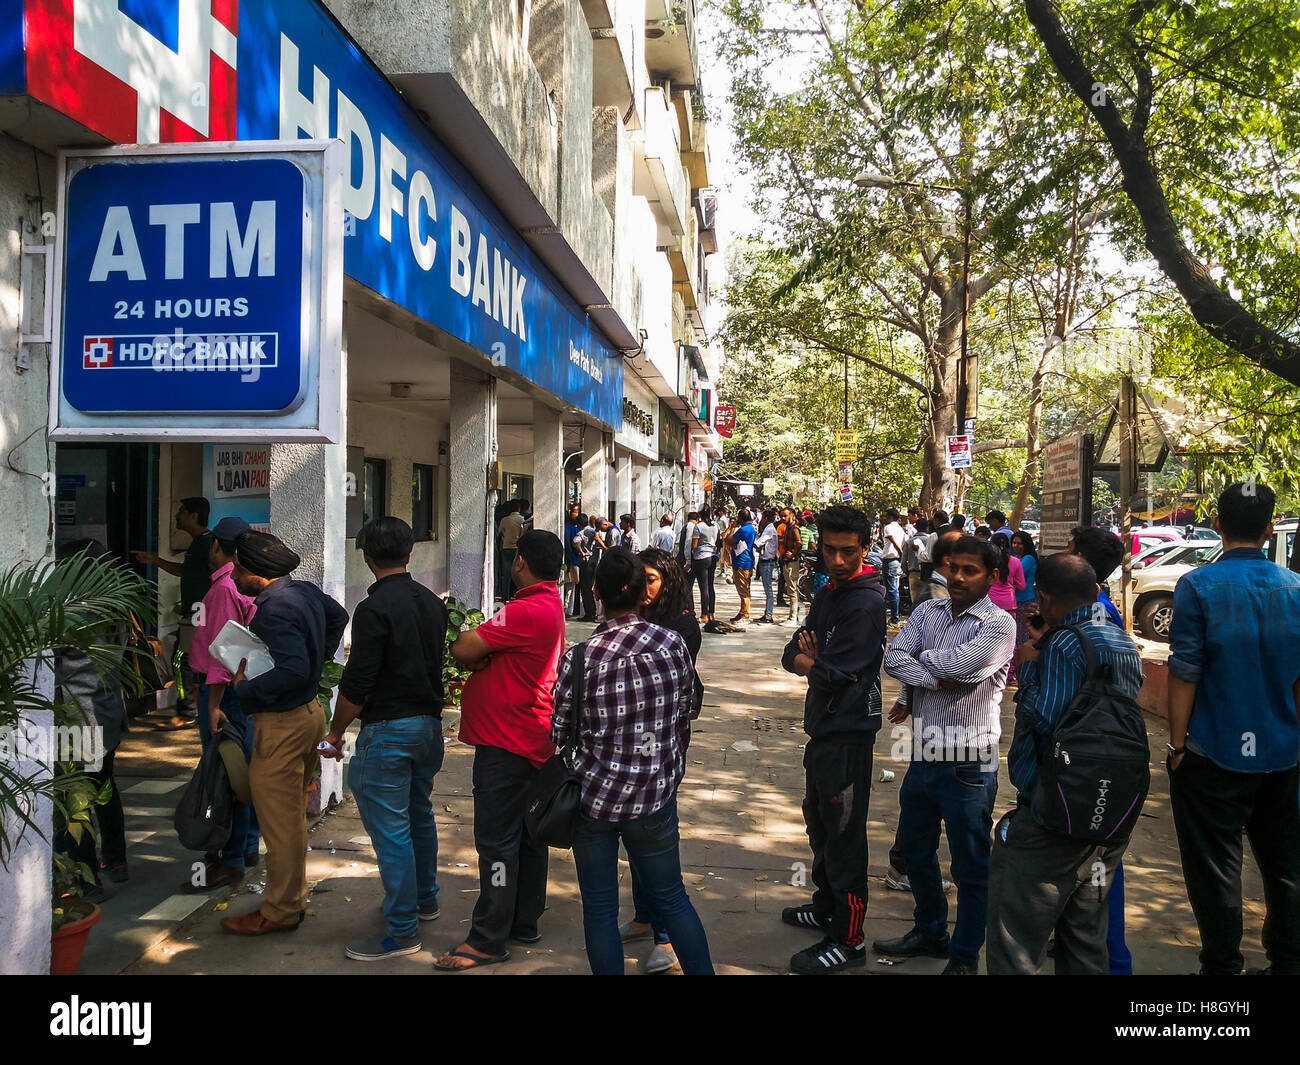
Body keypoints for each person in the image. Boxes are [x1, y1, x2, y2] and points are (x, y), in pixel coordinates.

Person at [553, 549, 713, 975]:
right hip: (655, 794)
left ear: (596, 592)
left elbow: (559, 731)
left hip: (595, 801)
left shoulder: (581, 658)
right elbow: (683, 711)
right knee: (673, 897)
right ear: (643, 592)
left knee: (600, 909)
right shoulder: (673, 644)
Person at [986, 553, 1144, 974]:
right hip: (1109, 813)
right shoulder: (1122, 641)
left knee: (1016, 939)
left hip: (1052, 811)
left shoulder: (1062, 644)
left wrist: (1031, 665)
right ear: (1095, 592)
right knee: (1085, 938)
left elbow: (1046, 720)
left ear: (1045, 598)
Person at [1167, 480, 1300, 975]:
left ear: (1217, 524)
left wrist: (1177, 746)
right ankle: (1288, 961)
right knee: (1286, 865)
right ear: (1269, 530)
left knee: (1215, 868)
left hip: (1212, 751)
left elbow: (1186, 671)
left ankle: (1222, 967)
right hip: (1284, 753)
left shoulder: (1198, 585)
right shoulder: (1296, 589)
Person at [876, 536, 1016, 974]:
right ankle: (931, 930)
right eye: (953, 567)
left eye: (969, 570)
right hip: (924, 756)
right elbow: (893, 657)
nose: (957, 577)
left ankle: (964, 955)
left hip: (970, 763)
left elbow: (963, 667)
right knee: (915, 852)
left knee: (970, 866)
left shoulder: (999, 625)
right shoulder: (927, 611)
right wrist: (934, 677)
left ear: (992, 578)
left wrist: (924, 662)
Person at [436, 530, 567, 970]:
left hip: (508, 741)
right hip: (528, 736)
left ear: (521, 563)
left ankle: (489, 938)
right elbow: (478, 653)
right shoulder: (547, 603)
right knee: (527, 837)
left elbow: (463, 647)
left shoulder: (526, 609)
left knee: (497, 843)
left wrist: (478, 655)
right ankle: (523, 920)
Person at [322, 517, 449, 961]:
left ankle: (402, 930)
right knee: (419, 817)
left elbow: (358, 683)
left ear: (367, 557)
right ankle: (424, 900)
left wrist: (336, 732)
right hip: (428, 729)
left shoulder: (373, 609)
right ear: (410, 554)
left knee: (393, 833)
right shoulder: (433, 604)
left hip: (389, 731)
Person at [222, 531, 348, 936]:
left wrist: (245, 690)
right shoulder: (304, 591)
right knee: (290, 819)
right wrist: (318, 659)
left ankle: (278, 912)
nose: (234, 576)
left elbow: (291, 670)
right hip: (309, 713)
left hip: (282, 723)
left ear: (257, 574)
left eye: (239, 569)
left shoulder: (273, 610)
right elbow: (339, 616)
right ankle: (290, 901)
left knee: (278, 826)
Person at [779, 506, 886, 973]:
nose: (838, 560)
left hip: (849, 734)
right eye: (829, 550)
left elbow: (839, 674)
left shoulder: (866, 603)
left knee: (844, 836)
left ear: (865, 548)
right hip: (822, 729)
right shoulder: (828, 592)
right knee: (819, 823)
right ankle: (826, 907)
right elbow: (791, 651)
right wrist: (810, 661)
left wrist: (813, 663)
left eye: (848, 551)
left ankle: (850, 939)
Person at [618, 547, 705, 972]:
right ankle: (643, 915)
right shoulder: (637, 622)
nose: (646, 588)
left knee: (654, 840)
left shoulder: (681, 628)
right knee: (634, 838)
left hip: (661, 746)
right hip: (629, 744)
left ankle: (667, 939)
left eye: (653, 579)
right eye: (642, 579)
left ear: (668, 580)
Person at [884, 528, 965, 892]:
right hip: (936, 728)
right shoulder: (933, 598)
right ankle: (904, 866)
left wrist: (921, 672)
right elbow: (903, 657)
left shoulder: (987, 616)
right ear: (949, 564)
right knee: (922, 803)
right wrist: (918, 686)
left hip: (961, 733)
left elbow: (919, 658)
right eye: (964, 567)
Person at [183, 516, 259, 892]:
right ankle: (244, 847)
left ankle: (230, 857)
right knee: (238, 770)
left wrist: (213, 705)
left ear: (216, 545)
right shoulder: (243, 582)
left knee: (224, 775)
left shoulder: (224, 589)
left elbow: (223, 656)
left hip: (224, 693)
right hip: (237, 691)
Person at [54, 539, 131, 897]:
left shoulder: (71, 612)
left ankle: (85, 877)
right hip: (108, 711)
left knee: (76, 799)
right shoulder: (115, 606)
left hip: (78, 717)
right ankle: (116, 859)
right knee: (103, 788)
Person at [131, 496, 213, 729]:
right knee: (189, 660)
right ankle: (192, 709)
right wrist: (154, 560)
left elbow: (218, 572)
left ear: (194, 516)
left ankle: (187, 712)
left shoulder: (206, 543)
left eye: (182, 512)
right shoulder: (198, 543)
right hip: (197, 612)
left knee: (181, 660)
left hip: (198, 613)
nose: (177, 516)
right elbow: (185, 571)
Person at [1066, 526, 1125, 625]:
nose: (1063, 553)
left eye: (1068, 547)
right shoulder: (1080, 601)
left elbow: (1097, 636)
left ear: (1079, 560)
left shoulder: (1098, 610)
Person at [988, 533, 1025, 683]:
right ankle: (1010, 675)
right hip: (1009, 605)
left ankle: (989, 670)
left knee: (988, 637)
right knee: (1011, 641)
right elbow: (1021, 585)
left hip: (989, 604)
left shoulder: (988, 561)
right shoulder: (1015, 562)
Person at [1010, 530, 1039, 650]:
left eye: (1019, 543)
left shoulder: (1028, 558)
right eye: (1014, 543)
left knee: (1023, 633)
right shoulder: (1017, 557)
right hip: (1017, 600)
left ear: (1026, 544)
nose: (1016, 546)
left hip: (1026, 600)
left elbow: (1014, 574)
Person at [878, 508, 906, 625]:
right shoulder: (900, 529)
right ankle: (896, 615)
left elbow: (893, 542)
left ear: (890, 517)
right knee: (895, 590)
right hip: (896, 562)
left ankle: (895, 618)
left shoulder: (889, 527)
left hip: (890, 561)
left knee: (892, 591)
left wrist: (900, 553)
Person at [728, 508, 757, 623]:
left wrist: (731, 528)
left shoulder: (744, 530)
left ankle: (745, 614)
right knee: (745, 589)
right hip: (746, 561)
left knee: (743, 590)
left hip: (741, 562)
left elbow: (729, 540)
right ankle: (742, 611)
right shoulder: (751, 528)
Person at [691, 508, 719, 626]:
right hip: (712, 556)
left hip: (701, 557)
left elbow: (694, 545)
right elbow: (718, 541)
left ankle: (704, 614)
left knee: (704, 587)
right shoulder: (715, 526)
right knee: (710, 585)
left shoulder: (698, 527)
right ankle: (711, 613)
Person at [498, 499, 529, 602]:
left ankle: (505, 597)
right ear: (519, 508)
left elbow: (500, 533)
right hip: (518, 549)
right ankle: (518, 596)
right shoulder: (522, 520)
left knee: (506, 575)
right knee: (519, 574)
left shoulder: (504, 520)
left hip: (506, 548)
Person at [754, 509, 780, 624]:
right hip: (765, 560)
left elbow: (758, 543)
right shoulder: (769, 529)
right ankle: (766, 614)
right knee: (767, 589)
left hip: (767, 561)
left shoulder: (769, 529)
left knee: (768, 590)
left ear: (765, 518)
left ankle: (769, 615)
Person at [573, 514, 599, 622]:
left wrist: (581, 552)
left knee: (585, 588)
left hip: (586, 562)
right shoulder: (593, 531)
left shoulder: (581, 533)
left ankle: (590, 613)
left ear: (579, 524)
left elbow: (575, 541)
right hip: (593, 561)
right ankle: (593, 611)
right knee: (590, 587)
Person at [778, 508, 802, 618]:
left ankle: (793, 616)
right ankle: (792, 615)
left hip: (791, 562)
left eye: (785, 516)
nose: (783, 518)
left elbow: (798, 543)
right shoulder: (788, 528)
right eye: (781, 516)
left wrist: (792, 555)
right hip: (786, 560)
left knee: (792, 590)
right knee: (790, 589)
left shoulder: (794, 529)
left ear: (791, 515)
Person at [677, 510, 700, 611]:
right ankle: (688, 608)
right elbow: (688, 544)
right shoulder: (691, 527)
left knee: (686, 585)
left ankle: (688, 607)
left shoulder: (686, 526)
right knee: (687, 585)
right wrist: (688, 562)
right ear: (697, 520)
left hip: (684, 558)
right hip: (686, 560)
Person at [564, 510, 584, 617]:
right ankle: (569, 610)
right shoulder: (575, 530)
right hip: (574, 561)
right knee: (571, 587)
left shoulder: (560, 528)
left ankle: (565, 608)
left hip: (562, 561)